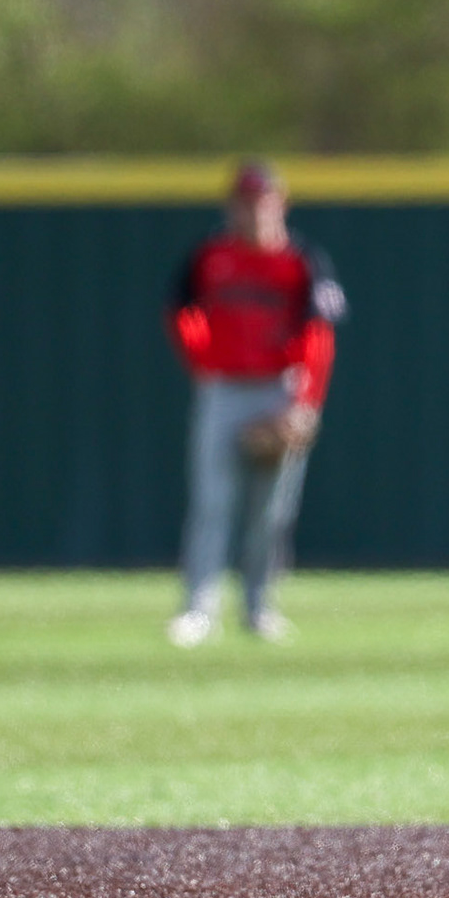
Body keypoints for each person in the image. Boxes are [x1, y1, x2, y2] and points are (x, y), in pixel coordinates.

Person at [166, 160, 346, 646]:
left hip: (278, 389)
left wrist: (305, 402)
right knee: (212, 502)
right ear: (232, 206)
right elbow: (180, 311)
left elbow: (318, 335)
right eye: (245, 200)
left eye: (263, 199)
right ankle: (198, 610)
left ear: (280, 203)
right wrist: (202, 359)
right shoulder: (210, 256)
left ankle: (258, 608)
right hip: (223, 388)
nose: (254, 209)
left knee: (270, 511)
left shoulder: (300, 260)